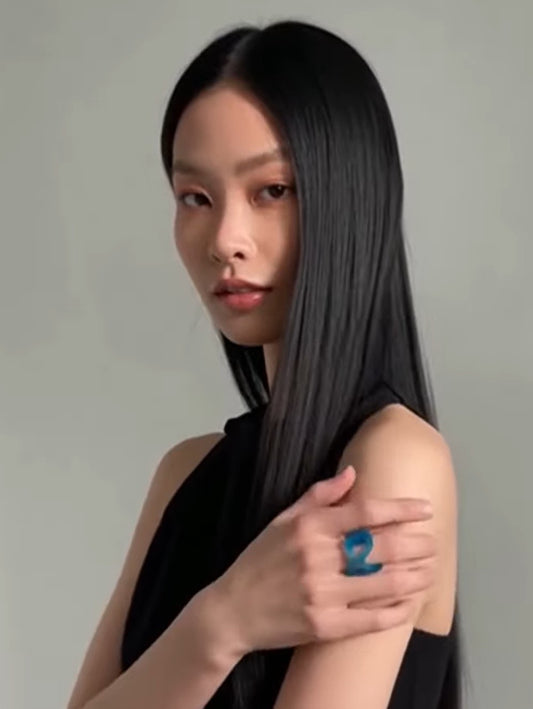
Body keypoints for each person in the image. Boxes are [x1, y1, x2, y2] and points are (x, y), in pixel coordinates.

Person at [67, 19, 463, 709]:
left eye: (272, 190)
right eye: (196, 198)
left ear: (350, 200)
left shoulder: (394, 462)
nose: (225, 240)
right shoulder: (184, 474)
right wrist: (224, 621)